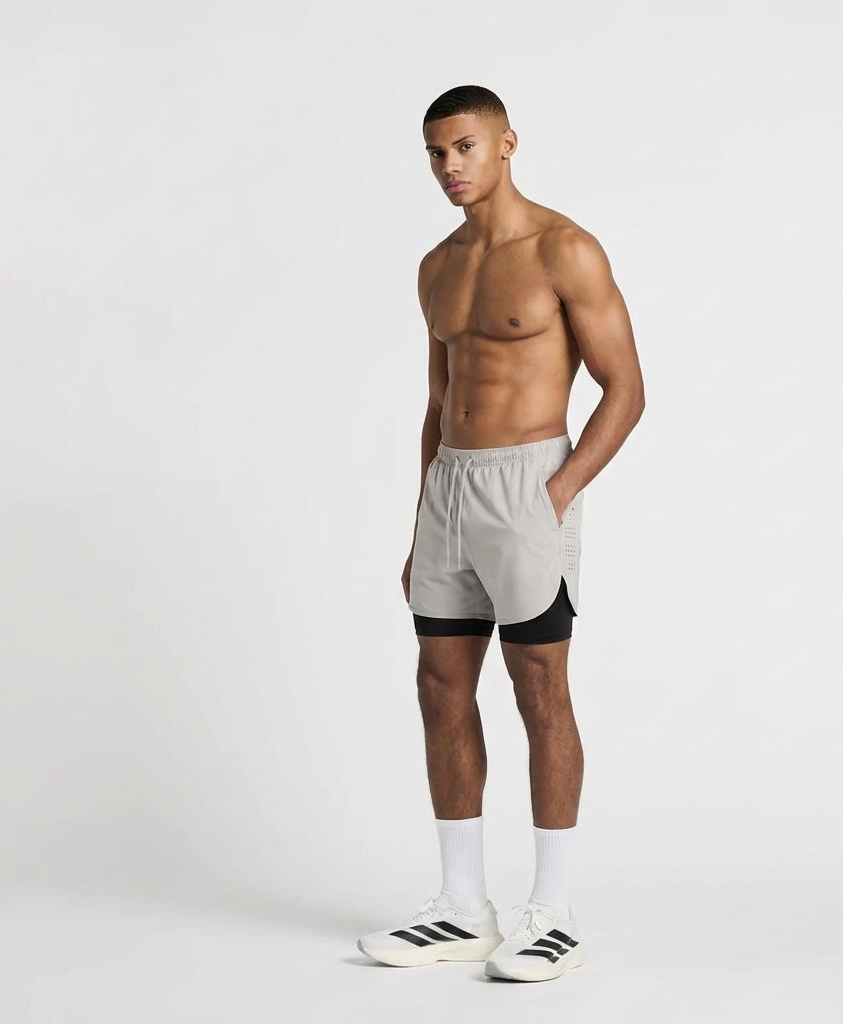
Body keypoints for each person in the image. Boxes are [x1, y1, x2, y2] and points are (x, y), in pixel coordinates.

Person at [357, 85, 644, 982]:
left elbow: (626, 389)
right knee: (439, 685)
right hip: (450, 486)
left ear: (507, 143)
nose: (449, 166)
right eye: (436, 153)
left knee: (538, 687)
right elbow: (438, 399)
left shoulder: (564, 249)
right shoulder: (436, 267)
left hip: (529, 482)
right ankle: (462, 906)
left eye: (465, 147)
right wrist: (421, 519)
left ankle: (552, 913)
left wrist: (556, 494)